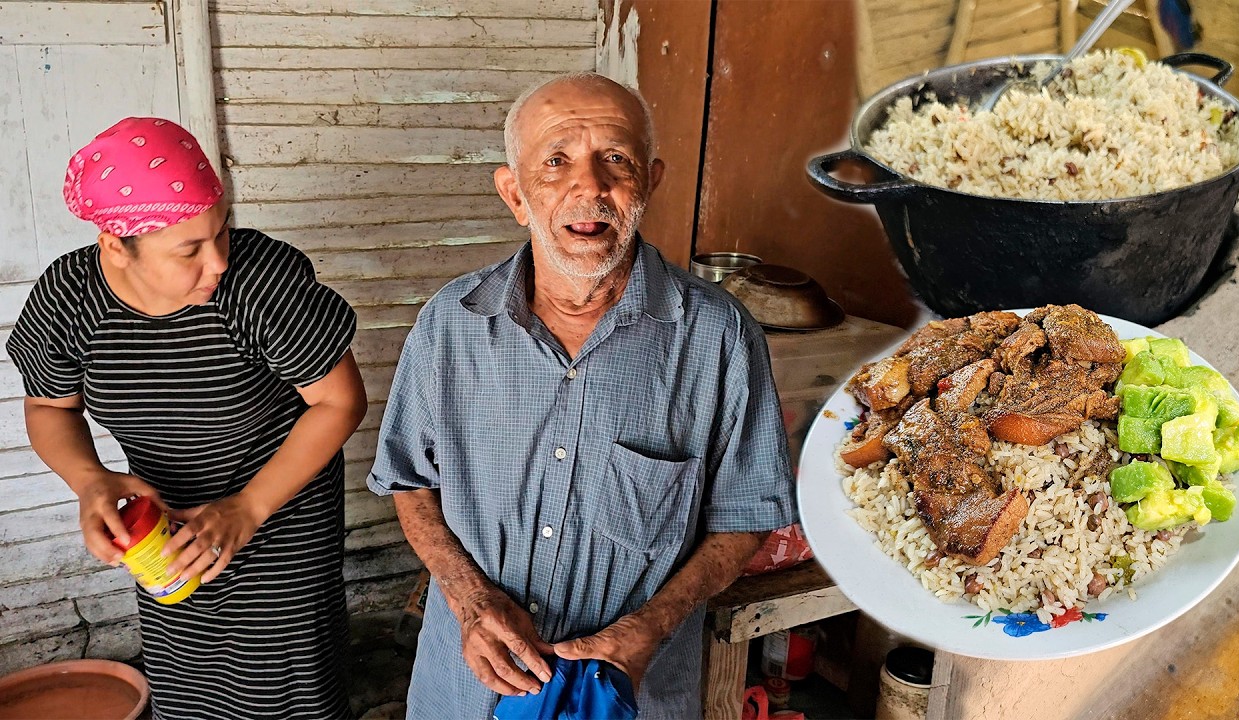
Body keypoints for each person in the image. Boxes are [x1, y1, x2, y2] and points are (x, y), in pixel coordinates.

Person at [367, 72, 796, 718]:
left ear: (650, 182)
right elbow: (408, 480)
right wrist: (468, 599)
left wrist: (650, 627)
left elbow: (745, 514)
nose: (589, 186)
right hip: (466, 692)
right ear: (515, 193)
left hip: (633, 691)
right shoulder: (449, 324)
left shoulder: (719, 338)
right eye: (557, 161)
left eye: (615, 160)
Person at [6, 117, 367, 719]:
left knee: (285, 690)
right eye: (190, 249)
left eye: (222, 231)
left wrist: (247, 509)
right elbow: (49, 407)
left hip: (279, 518)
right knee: (190, 687)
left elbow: (338, 401)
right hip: (164, 526)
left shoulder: (261, 280)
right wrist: (90, 480)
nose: (219, 259)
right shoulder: (69, 299)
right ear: (115, 247)